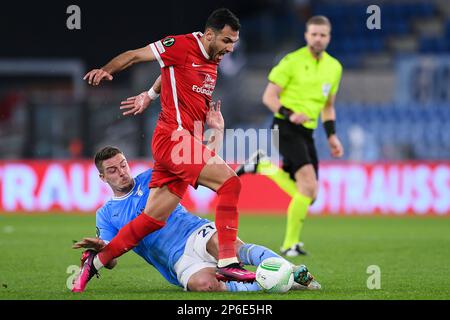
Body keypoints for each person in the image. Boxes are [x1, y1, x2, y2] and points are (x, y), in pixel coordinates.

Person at [74, 8, 255, 292]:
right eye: (226, 41)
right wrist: (106, 70)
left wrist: (149, 94)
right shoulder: (181, 45)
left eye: (234, 42)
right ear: (209, 35)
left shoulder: (212, 57)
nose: (230, 48)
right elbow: (135, 55)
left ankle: (94, 263)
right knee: (230, 183)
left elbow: (168, 70)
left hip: (186, 141)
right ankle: (228, 261)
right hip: (173, 139)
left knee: (151, 220)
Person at [71, 146, 321, 292]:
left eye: (123, 165)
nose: (121, 172)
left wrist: (217, 132)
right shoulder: (105, 215)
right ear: (103, 178)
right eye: (112, 170)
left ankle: (292, 271)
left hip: (194, 232)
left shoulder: (151, 177)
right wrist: (101, 249)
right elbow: (111, 262)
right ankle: (278, 282)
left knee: (232, 248)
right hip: (175, 261)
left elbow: (195, 161)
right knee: (207, 285)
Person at [236, 16, 344, 256]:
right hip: (285, 127)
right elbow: (269, 97)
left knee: (310, 195)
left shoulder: (334, 67)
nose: (318, 38)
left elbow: (328, 107)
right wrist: (290, 113)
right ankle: (289, 245)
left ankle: (262, 166)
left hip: (308, 132)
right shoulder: (291, 61)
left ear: (329, 37)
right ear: (306, 35)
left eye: (323, 35)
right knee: (308, 186)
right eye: (314, 34)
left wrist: (332, 137)